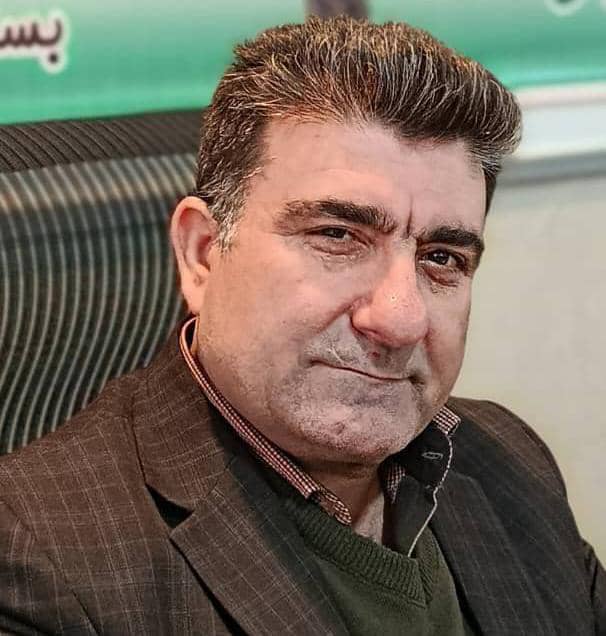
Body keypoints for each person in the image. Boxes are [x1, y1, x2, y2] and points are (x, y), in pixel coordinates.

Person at [0, 16, 604, 636]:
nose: (400, 319)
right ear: (202, 254)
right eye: (337, 236)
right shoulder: (36, 562)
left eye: (442, 258)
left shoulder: (509, 460)